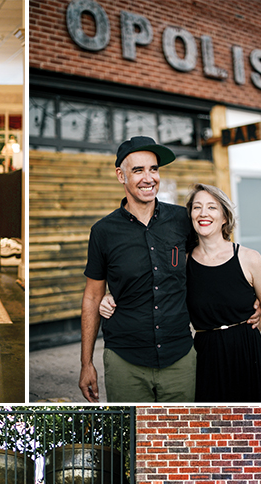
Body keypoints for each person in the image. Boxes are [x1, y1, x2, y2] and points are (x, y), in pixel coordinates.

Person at [101, 184, 261, 401]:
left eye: (212, 207)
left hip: (248, 355)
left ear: (224, 217)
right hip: (205, 357)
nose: (204, 213)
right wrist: (111, 295)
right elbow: (150, 287)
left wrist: (239, 336)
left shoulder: (250, 258)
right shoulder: (182, 264)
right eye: (197, 207)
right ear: (190, 216)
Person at [79, 135, 196, 403]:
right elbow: (92, 297)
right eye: (138, 170)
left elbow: (208, 263)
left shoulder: (182, 220)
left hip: (179, 357)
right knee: (134, 436)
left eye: (153, 169)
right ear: (121, 176)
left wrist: (247, 296)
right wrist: (86, 364)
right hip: (125, 361)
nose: (149, 177)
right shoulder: (103, 232)